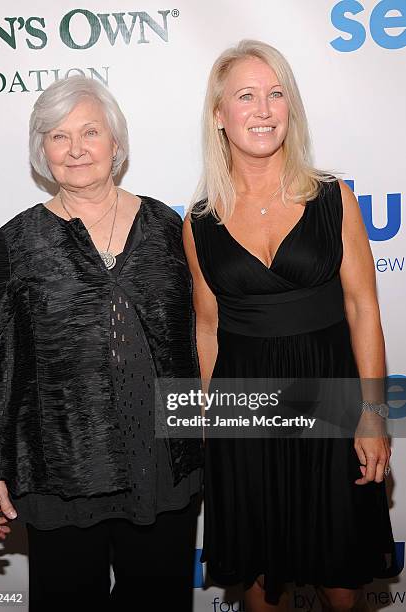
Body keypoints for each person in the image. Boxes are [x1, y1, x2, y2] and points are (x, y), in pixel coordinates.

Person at [0, 75, 203, 611]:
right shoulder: (18, 240)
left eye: (90, 132)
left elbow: (199, 337)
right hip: (60, 472)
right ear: (41, 151)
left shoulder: (167, 226)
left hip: (162, 465)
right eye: (58, 136)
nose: (76, 149)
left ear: (116, 145)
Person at [183, 40, 395, 611]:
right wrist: (208, 427)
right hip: (242, 409)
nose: (264, 109)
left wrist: (374, 415)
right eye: (246, 96)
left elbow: (363, 309)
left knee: (341, 580)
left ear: (291, 108)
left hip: (331, 397)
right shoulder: (199, 221)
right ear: (219, 116)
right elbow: (207, 328)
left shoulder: (334, 199)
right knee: (259, 582)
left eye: (277, 94)